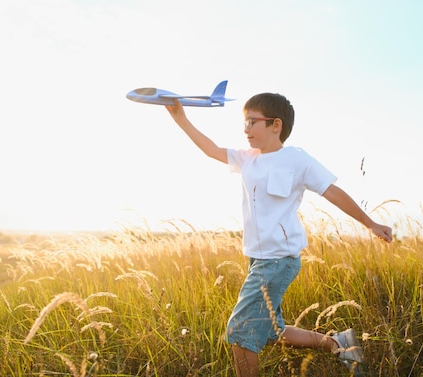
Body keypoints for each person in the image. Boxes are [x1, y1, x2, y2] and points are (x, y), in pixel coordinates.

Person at [165, 92, 393, 377]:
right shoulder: (247, 159)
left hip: (279, 260)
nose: (246, 129)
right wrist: (181, 119)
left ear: (276, 125)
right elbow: (211, 149)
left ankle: (339, 345)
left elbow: (332, 191)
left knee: (241, 331)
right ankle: (339, 344)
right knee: (272, 331)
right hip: (258, 259)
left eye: (252, 122)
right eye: (244, 123)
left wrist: (369, 223)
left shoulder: (297, 159)